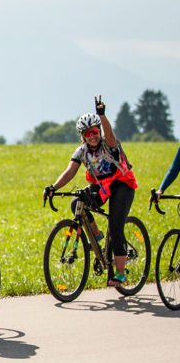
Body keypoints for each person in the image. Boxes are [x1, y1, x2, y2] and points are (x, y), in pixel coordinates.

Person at [43, 96, 138, 288]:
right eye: (87, 134)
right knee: (76, 203)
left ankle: (121, 274)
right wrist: (53, 187)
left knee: (116, 227)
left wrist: (102, 115)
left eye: (95, 132)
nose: (92, 136)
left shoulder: (108, 144)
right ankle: (98, 238)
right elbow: (70, 171)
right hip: (102, 185)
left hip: (122, 185)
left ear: (99, 131)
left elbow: (109, 133)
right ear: (83, 136)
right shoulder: (82, 151)